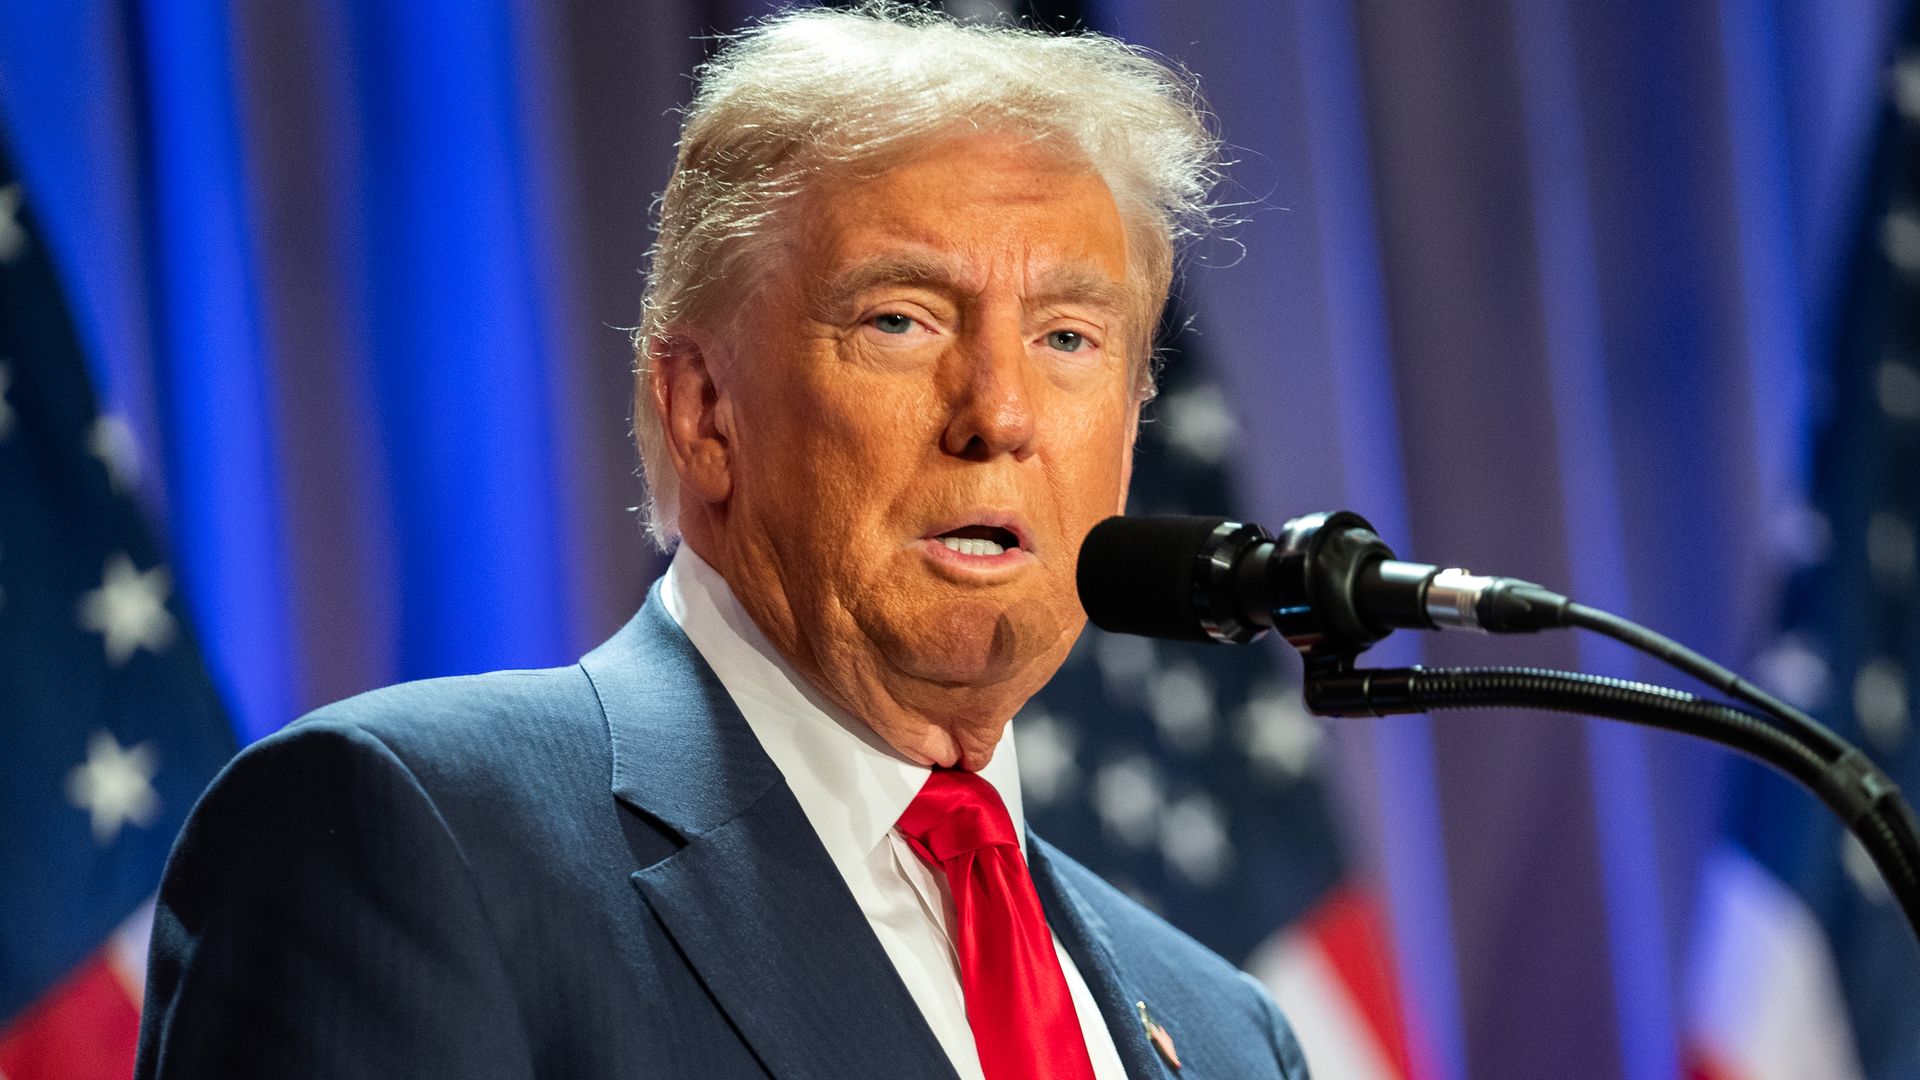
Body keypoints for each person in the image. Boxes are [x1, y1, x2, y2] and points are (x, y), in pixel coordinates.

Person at [135, 7, 1310, 1078]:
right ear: (705, 412)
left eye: (1067, 336)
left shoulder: (1222, 1032)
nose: (999, 412)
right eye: (900, 320)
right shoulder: (404, 842)